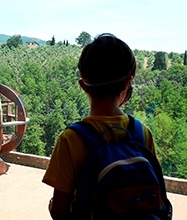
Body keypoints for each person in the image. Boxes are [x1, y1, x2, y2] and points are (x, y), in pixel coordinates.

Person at [42, 33, 157, 219]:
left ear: (82, 85)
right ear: (128, 83)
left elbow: (59, 212)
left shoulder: (71, 139)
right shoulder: (142, 133)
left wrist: (52, 205)